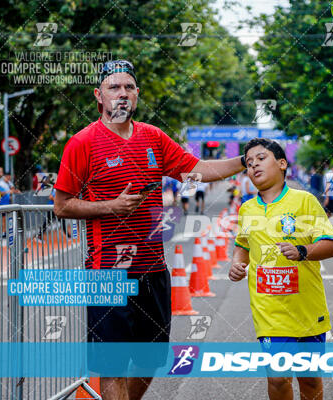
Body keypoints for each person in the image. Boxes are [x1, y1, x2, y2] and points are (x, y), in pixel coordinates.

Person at [53, 60, 245, 400]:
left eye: (129, 87)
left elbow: (197, 169)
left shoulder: (153, 137)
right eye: (114, 87)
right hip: (107, 273)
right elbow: (62, 204)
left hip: (153, 270)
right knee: (112, 369)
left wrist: (246, 160)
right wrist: (109, 206)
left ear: (137, 95)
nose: (122, 93)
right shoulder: (82, 142)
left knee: (150, 361)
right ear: (99, 96)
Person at [229, 138, 333, 400]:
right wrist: (236, 263)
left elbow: (331, 245)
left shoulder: (304, 202)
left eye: (261, 158)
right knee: (278, 378)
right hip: (269, 311)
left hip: (307, 309)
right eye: (249, 163)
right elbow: (242, 244)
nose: (254, 165)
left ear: (282, 163)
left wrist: (303, 252)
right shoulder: (247, 209)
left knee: (310, 380)